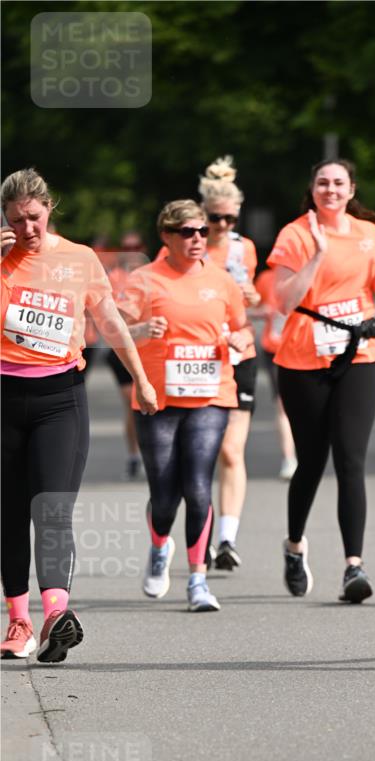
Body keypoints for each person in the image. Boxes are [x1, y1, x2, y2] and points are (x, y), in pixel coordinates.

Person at [1, 168, 157, 662]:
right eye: (16, 220)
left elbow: (109, 321)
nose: (27, 228)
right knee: (8, 514)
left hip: (61, 399)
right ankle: (18, 622)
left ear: (50, 209)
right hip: (4, 397)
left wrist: (142, 379)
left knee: (52, 509)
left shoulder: (79, 259)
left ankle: (54, 616)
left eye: (34, 217)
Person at [268, 158, 375, 601]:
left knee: (351, 460)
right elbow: (283, 301)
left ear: (351, 188)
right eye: (323, 182)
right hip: (303, 359)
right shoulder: (296, 234)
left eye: (339, 182)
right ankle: (295, 545)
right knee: (312, 461)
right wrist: (317, 254)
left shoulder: (369, 234)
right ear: (313, 188)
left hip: (359, 355)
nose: (331, 189)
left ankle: (353, 567)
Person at [118, 199, 251, 612]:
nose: (197, 239)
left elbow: (243, 329)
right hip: (157, 397)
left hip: (211, 395)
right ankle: (160, 545)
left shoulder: (222, 280)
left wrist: (238, 342)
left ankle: (198, 580)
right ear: (167, 236)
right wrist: (141, 328)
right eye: (187, 232)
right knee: (163, 495)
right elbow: (114, 331)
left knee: (197, 487)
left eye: (201, 231)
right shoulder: (144, 279)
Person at [198, 157, 260, 572]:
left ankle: (227, 539)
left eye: (229, 218)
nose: (222, 226)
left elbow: (251, 300)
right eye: (214, 218)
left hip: (239, 355)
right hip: (196, 357)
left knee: (231, 450)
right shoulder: (190, 244)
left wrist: (251, 296)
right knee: (200, 451)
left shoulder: (245, 248)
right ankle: (194, 536)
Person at [106, 231, 149, 480]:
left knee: (149, 404)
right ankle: (134, 454)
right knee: (132, 403)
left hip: (148, 349)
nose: (132, 250)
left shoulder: (151, 275)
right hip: (121, 349)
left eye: (137, 245)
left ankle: (153, 451)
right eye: (126, 246)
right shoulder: (114, 277)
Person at [254, 266, 297, 480]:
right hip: (275, 350)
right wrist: (264, 310)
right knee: (283, 405)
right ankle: (289, 459)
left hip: (305, 349)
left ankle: (307, 454)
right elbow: (250, 307)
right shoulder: (266, 278)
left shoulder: (313, 271)